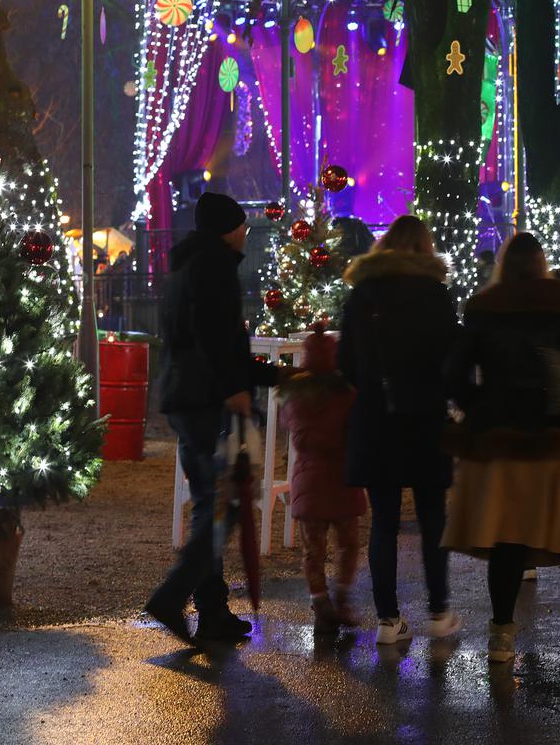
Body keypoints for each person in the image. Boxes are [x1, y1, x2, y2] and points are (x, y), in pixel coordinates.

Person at [443, 233, 560, 663]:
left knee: (506, 538)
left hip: (500, 438)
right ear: (542, 263)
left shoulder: (484, 308)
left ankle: (501, 637)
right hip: (555, 437)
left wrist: (479, 408)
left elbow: (453, 373)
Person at [146, 192, 274, 645]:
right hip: (205, 400)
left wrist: (266, 375)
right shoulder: (215, 266)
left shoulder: (185, 265)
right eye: (241, 225)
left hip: (186, 398)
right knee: (220, 507)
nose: (245, 232)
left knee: (211, 503)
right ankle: (174, 596)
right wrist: (235, 388)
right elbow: (216, 334)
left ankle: (212, 609)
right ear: (227, 228)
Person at [338, 215, 461, 645]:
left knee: (384, 521)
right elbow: (453, 357)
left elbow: (345, 363)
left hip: (376, 419)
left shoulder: (361, 295)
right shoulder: (435, 295)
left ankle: (388, 621)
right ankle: (439, 611)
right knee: (432, 518)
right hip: (425, 418)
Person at [279, 331, 366, 631]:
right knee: (348, 544)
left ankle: (320, 602)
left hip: (309, 482)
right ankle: (342, 596)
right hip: (343, 479)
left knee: (312, 550)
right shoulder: (347, 394)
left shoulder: (294, 396)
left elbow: (292, 430)